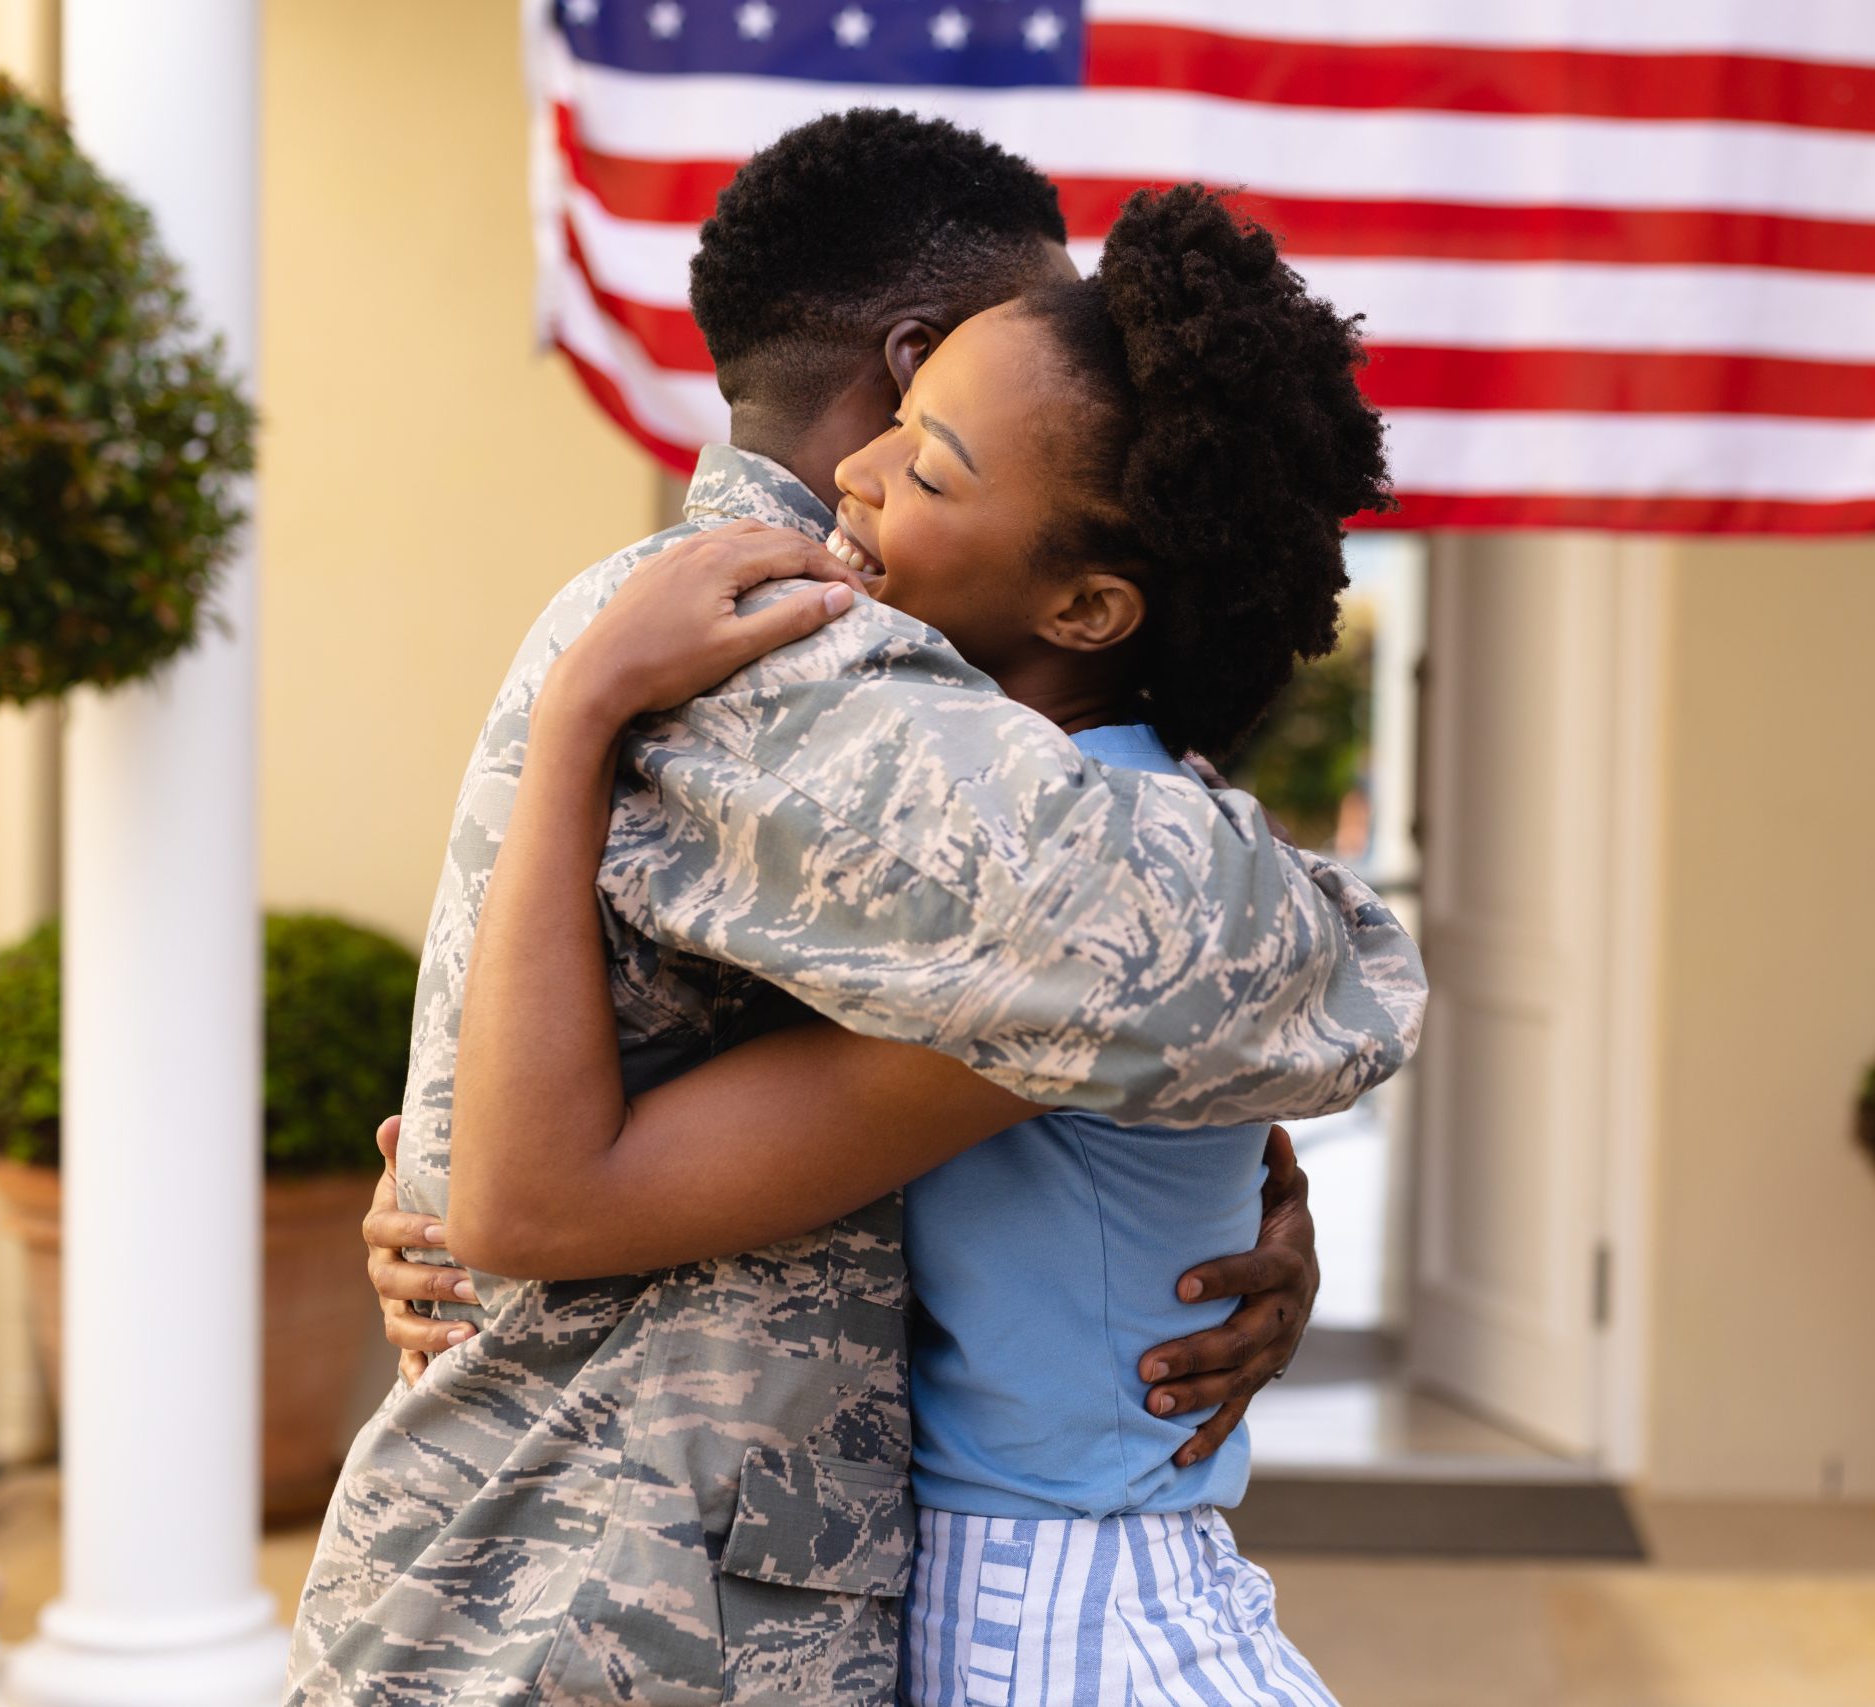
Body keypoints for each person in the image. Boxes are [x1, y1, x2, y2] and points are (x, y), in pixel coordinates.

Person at [284, 116, 1422, 1706]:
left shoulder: (824, 659)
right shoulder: (781, 650)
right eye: (973, 369)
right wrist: (1292, 1023)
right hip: (595, 1614)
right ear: (906, 363)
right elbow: (1229, 963)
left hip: (639, 1595)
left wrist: (1207, 1206)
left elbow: (1081, 1019)